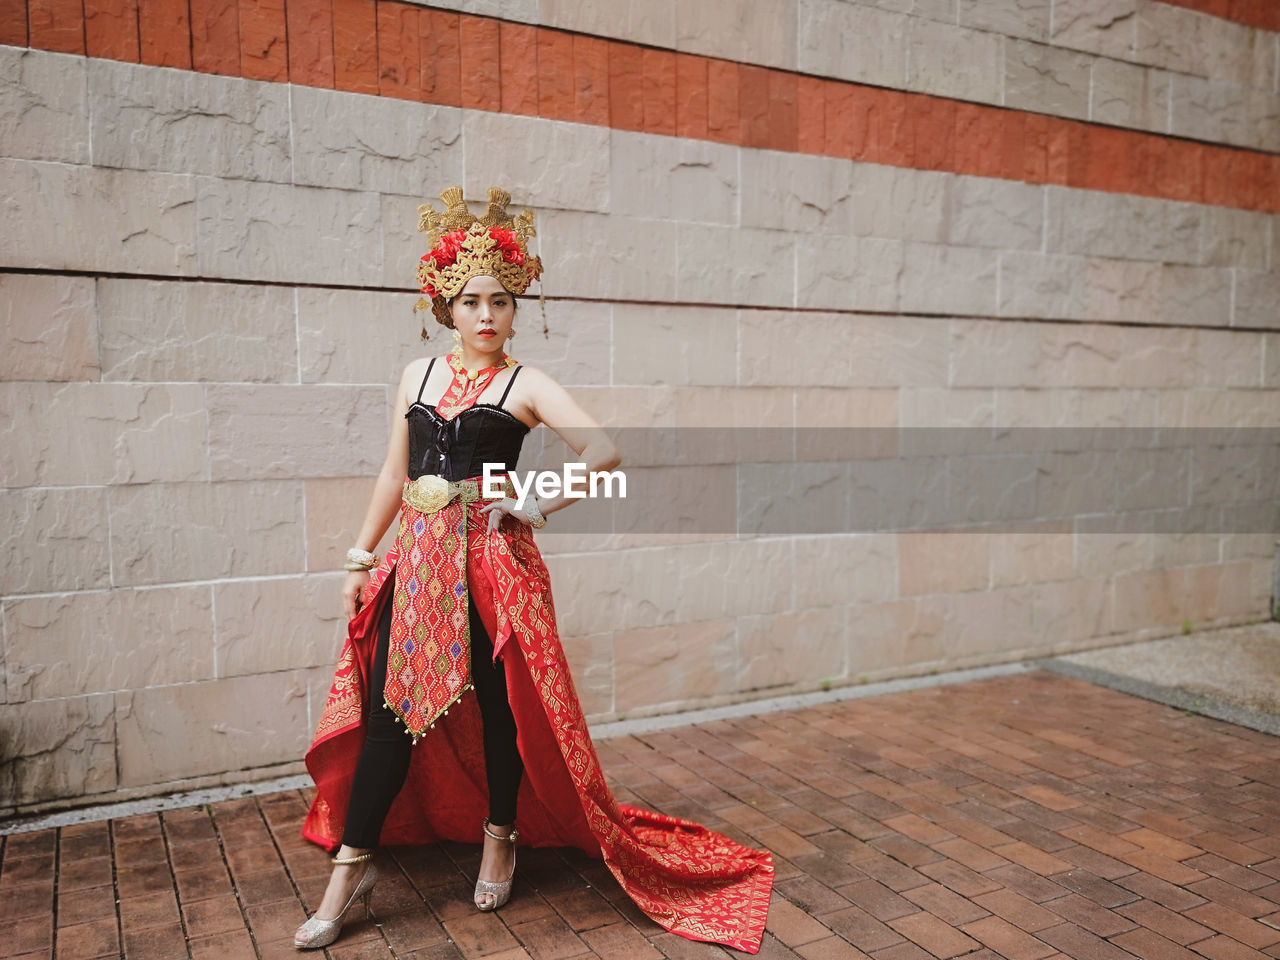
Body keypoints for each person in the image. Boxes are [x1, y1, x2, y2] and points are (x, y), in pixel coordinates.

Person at [297, 187, 773, 953]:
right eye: (471, 302)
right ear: (444, 307)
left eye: (502, 301)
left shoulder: (527, 385)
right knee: (388, 715)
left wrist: (533, 506)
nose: (488, 316)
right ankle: (350, 870)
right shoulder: (414, 377)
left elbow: (605, 454)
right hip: (416, 566)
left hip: (490, 564)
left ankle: (501, 835)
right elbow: (395, 473)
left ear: (517, 309)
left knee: (499, 710)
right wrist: (359, 555)